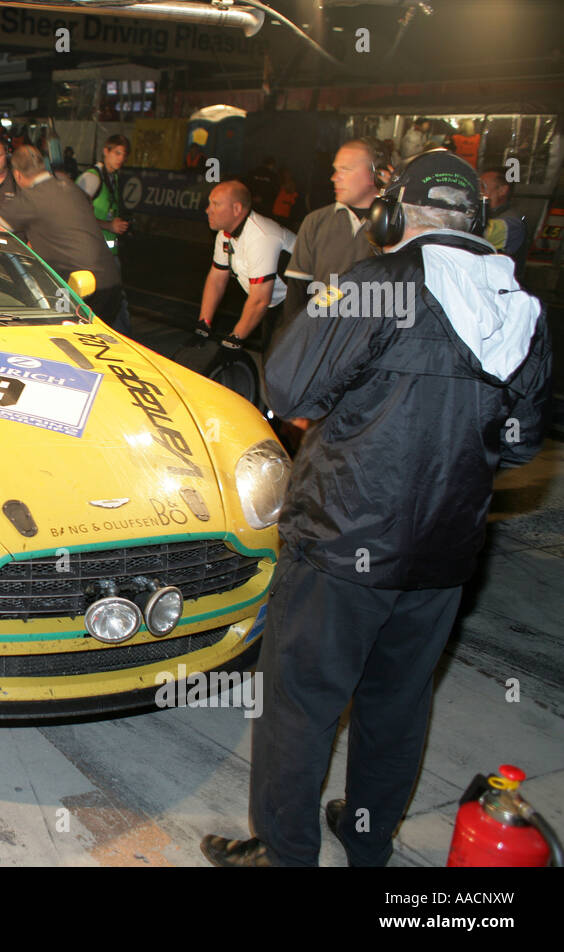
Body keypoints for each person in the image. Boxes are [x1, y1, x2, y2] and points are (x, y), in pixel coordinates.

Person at [201, 149, 552, 867]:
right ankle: (366, 834)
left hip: (341, 540)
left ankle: (285, 852)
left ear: (392, 215)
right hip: (445, 554)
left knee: (300, 703)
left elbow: (291, 389)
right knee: (397, 702)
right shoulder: (521, 305)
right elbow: (518, 447)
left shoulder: (378, 282)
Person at [0, 144, 129, 334]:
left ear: (18, 175)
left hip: (81, 290)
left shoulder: (31, 199)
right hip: (111, 281)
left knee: (68, 345)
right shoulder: (68, 186)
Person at [282, 139, 385, 324]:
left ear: (375, 174)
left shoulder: (399, 225)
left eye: (345, 169)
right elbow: (297, 292)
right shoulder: (316, 221)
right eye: (336, 169)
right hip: (321, 335)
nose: (334, 177)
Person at [196, 180, 295, 350]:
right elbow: (217, 279)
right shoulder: (224, 235)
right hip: (277, 302)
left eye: (216, 204)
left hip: (305, 302)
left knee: (279, 364)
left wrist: (235, 338)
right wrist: (204, 323)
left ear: (237, 209)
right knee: (271, 360)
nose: (208, 210)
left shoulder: (261, 237)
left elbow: (260, 300)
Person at [76, 134, 130, 249]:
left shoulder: (113, 177)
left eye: (124, 155)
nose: (121, 159)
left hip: (103, 252)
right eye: (117, 153)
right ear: (106, 151)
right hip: (89, 251)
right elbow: (76, 215)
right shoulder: (92, 178)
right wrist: (109, 226)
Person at [480, 166, 531, 275]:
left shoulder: (513, 222)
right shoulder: (490, 215)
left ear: (502, 190)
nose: (478, 193)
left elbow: (484, 233)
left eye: (483, 187)